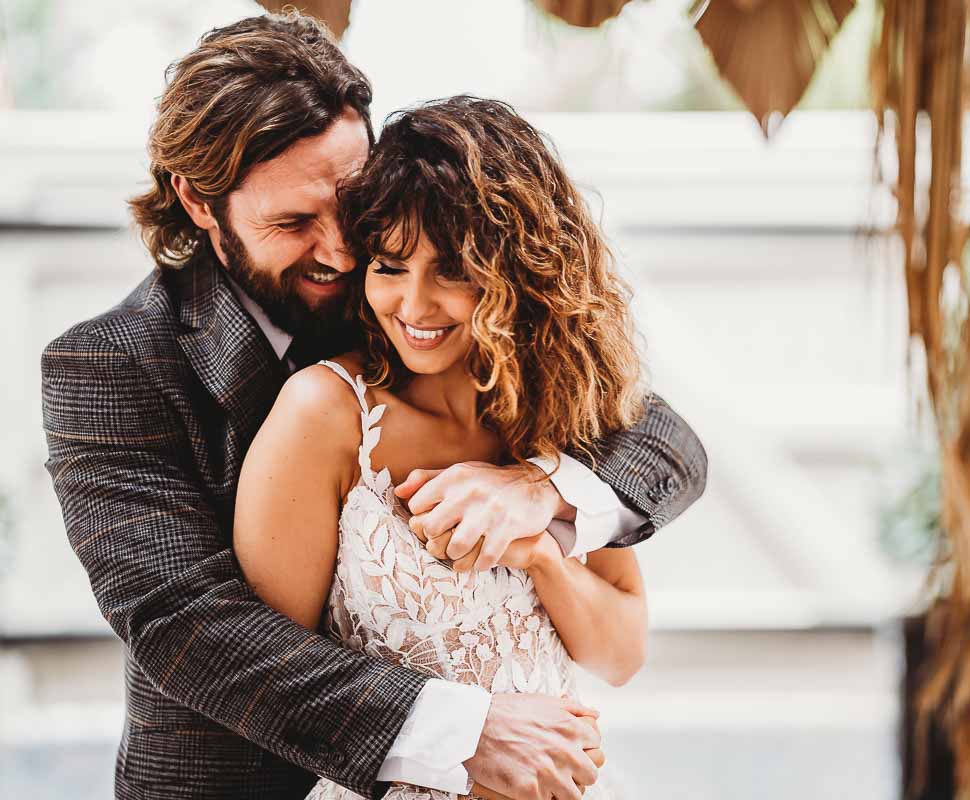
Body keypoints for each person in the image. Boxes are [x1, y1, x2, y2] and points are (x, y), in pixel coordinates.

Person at [39, 13, 707, 800]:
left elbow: (658, 434)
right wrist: (460, 735)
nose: (341, 253)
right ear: (195, 199)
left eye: (350, 208)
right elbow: (186, 624)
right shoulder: (111, 364)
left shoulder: (406, 294)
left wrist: (543, 496)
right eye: (291, 223)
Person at [235, 94, 652, 800]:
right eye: (391, 267)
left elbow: (621, 654)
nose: (415, 306)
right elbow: (276, 681)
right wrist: (462, 734)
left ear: (520, 271)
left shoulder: (553, 415)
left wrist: (542, 556)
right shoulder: (326, 414)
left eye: (452, 271)